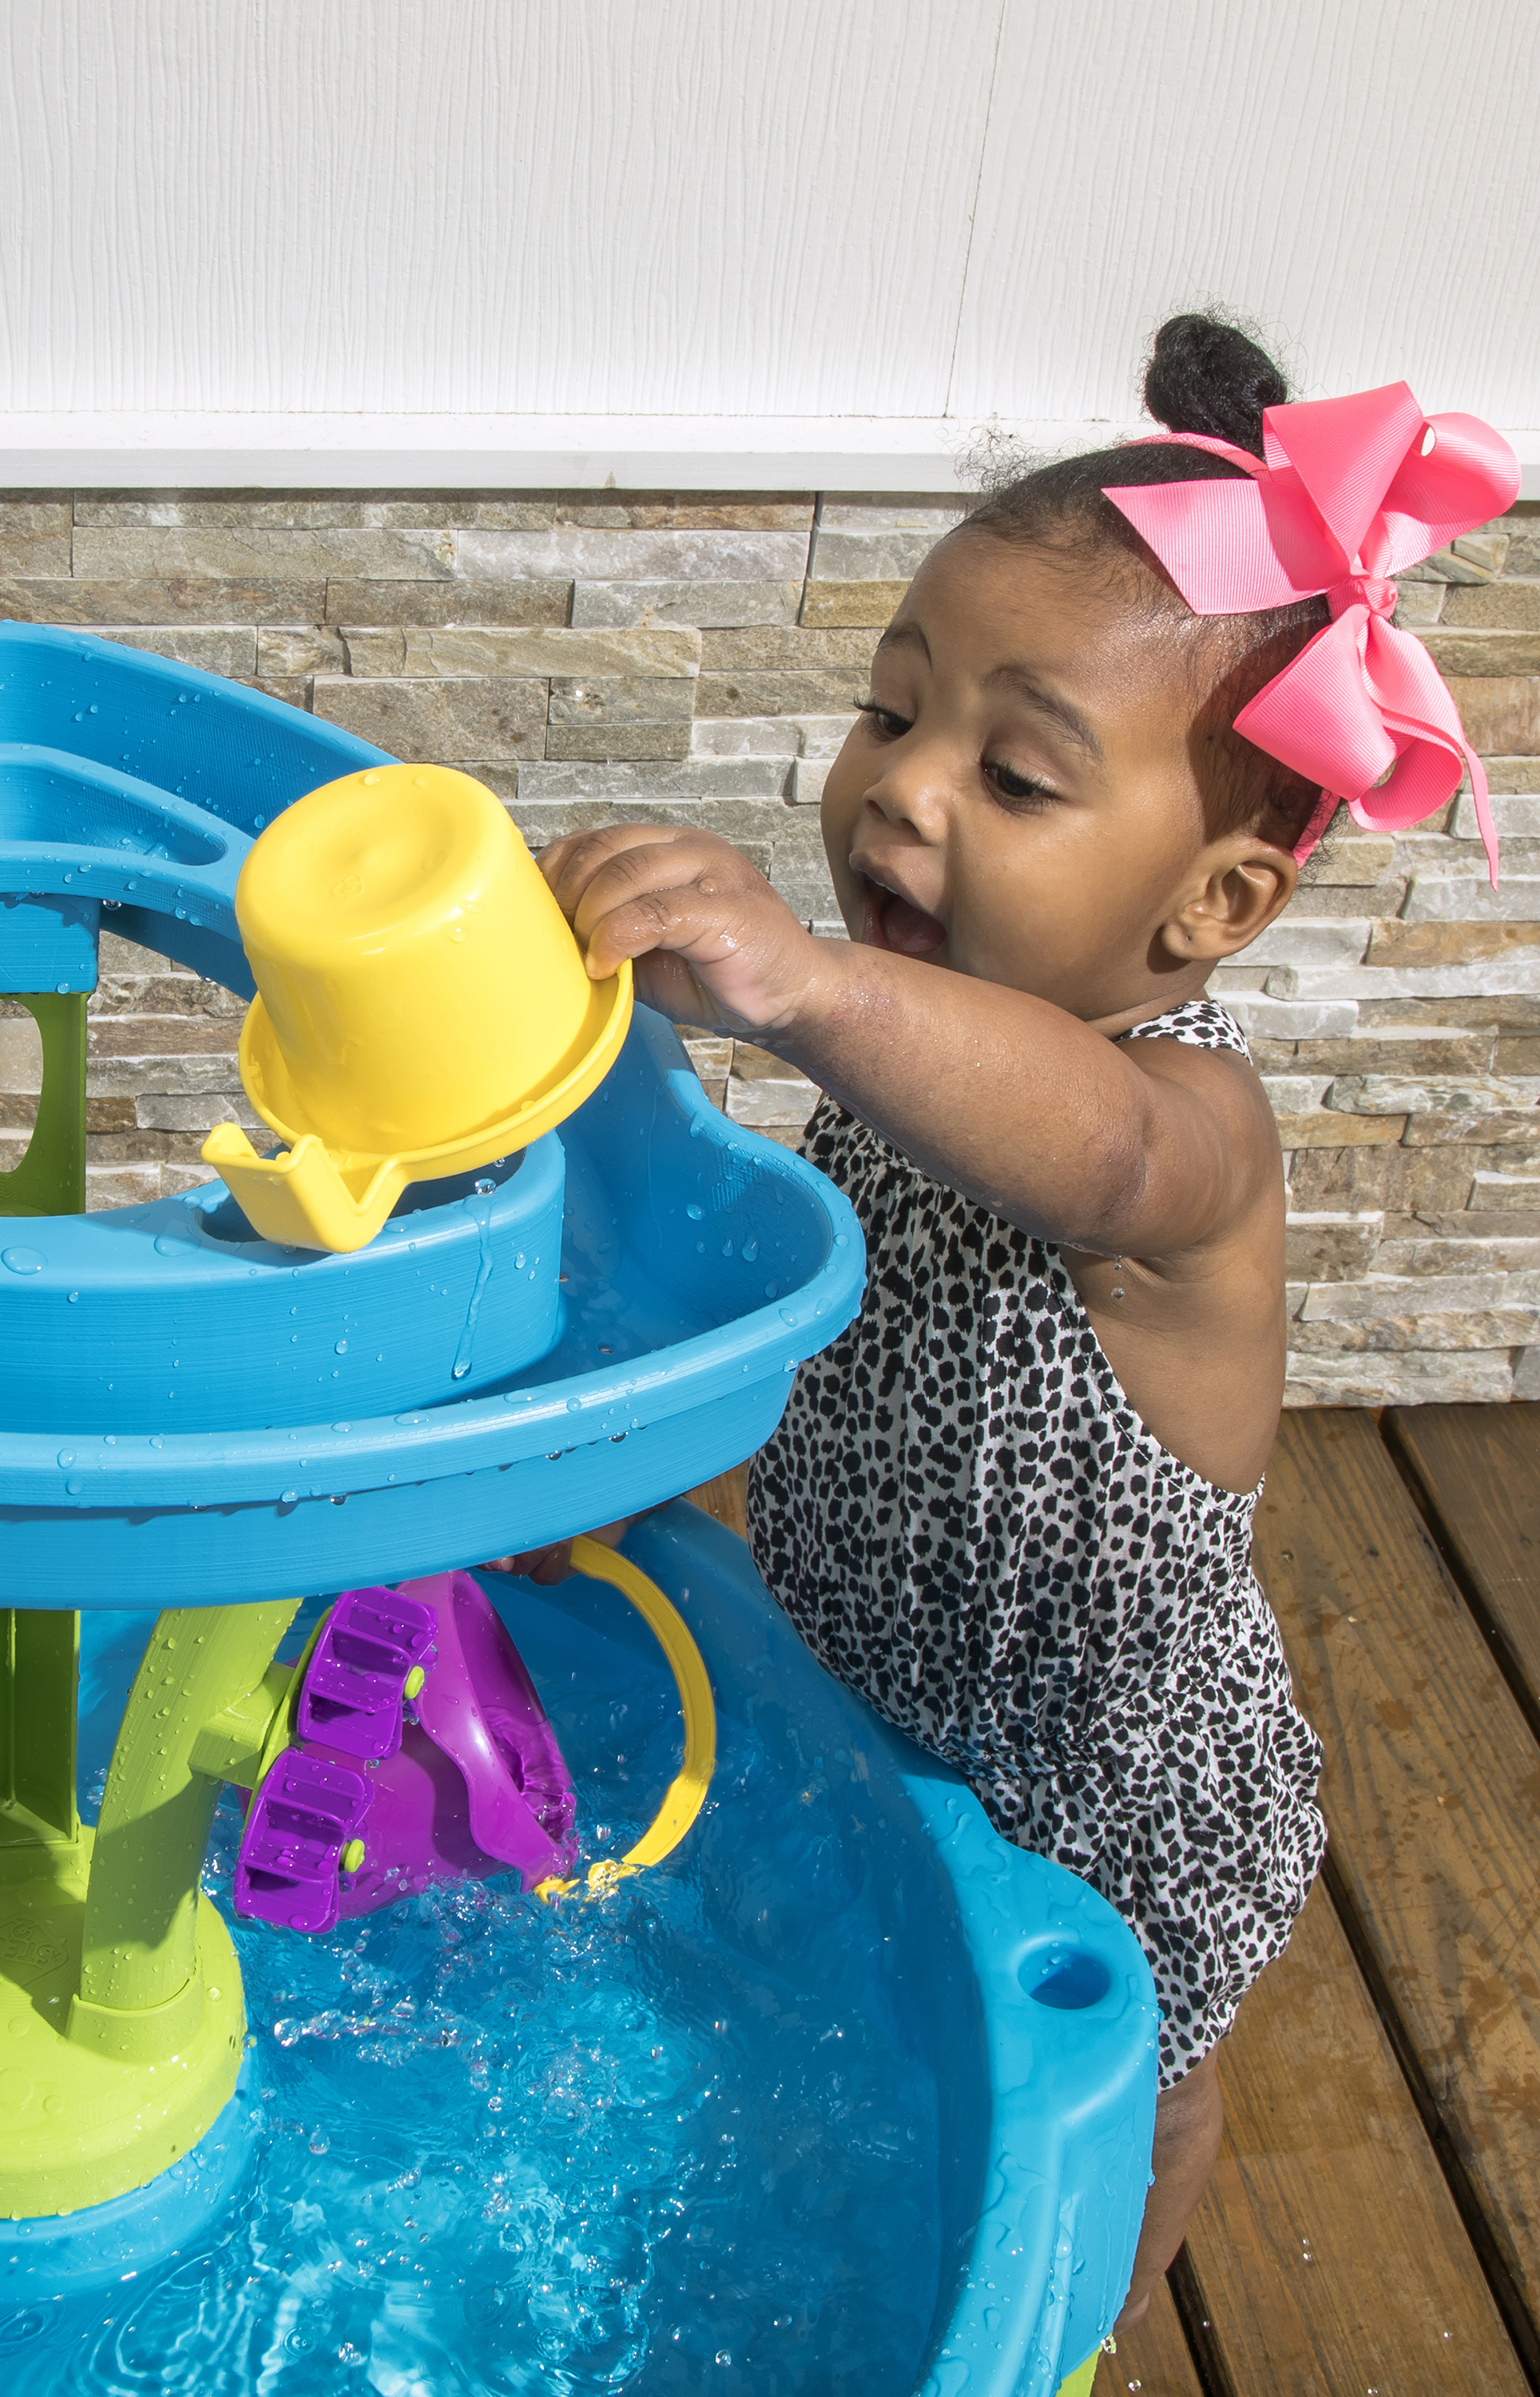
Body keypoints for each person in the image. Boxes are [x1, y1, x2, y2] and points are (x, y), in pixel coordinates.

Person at [494, 312, 1518, 2351]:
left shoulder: (1181, 1140)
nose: (901, 790)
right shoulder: (911, 1070)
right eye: (892, 712)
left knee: (1129, 2078)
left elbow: (1088, 1153)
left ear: (1212, 907)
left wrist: (797, 982)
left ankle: (1087, 2303)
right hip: (884, 1658)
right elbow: (829, 1331)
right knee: (878, 1956)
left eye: (1016, 770)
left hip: (1123, 1770)